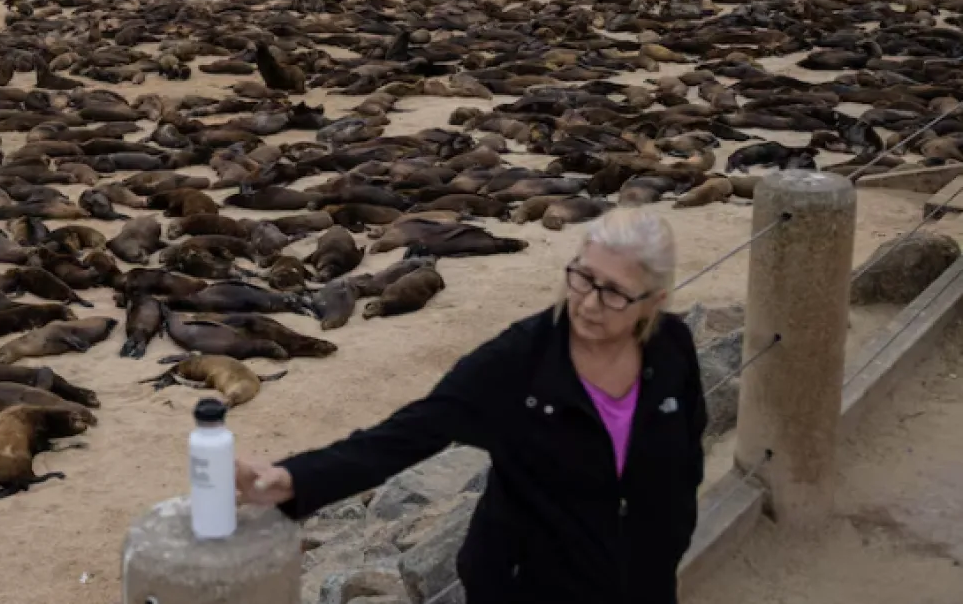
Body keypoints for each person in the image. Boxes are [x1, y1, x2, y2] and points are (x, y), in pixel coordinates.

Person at [237, 209, 707, 604]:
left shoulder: (671, 347)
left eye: (614, 292)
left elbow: (689, 446)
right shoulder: (519, 359)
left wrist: (671, 534)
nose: (588, 303)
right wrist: (295, 480)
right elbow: (406, 435)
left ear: (653, 302)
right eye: (582, 277)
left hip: (643, 584)